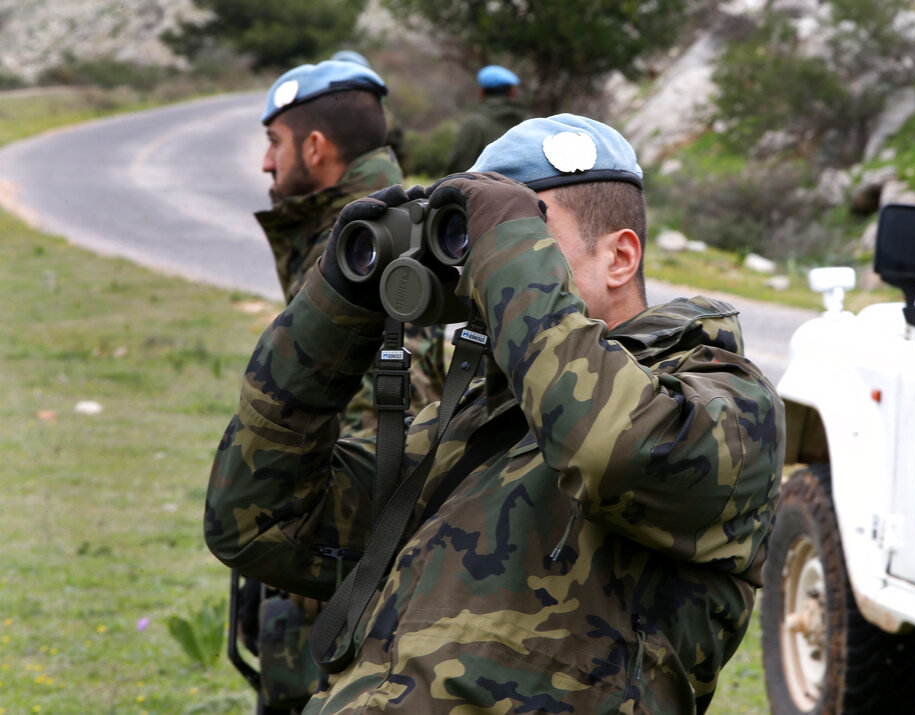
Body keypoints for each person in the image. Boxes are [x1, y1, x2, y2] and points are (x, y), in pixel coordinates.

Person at [206, 113, 783, 714]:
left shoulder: (729, 406)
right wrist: (335, 306)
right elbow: (259, 522)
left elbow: (608, 451)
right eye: (472, 239)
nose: (484, 264)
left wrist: (506, 242)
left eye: (525, 233)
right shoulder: (465, 427)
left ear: (620, 258)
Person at [240, 59, 447, 713]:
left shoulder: (360, 252)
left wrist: (303, 568)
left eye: (274, 144)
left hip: (342, 587)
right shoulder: (381, 230)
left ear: (316, 147)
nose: (268, 165)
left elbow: (384, 421)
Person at [445, 64, 528, 174]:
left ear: (481, 92)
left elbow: (458, 167)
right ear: (512, 93)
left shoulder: (474, 123)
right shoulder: (526, 124)